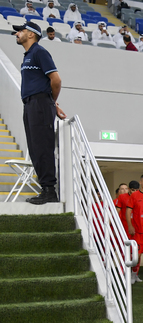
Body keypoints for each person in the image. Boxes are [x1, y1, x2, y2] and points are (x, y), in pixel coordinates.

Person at [13, 22, 66, 205]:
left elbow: (56, 80)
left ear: (31, 34)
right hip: (30, 104)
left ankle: (50, 190)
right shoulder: (28, 56)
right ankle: (46, 188)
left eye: (21, 31)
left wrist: (50, 101)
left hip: (39, 104)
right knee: (35, 148)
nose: (17, 34)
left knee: (42, 146)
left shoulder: (39, 52)